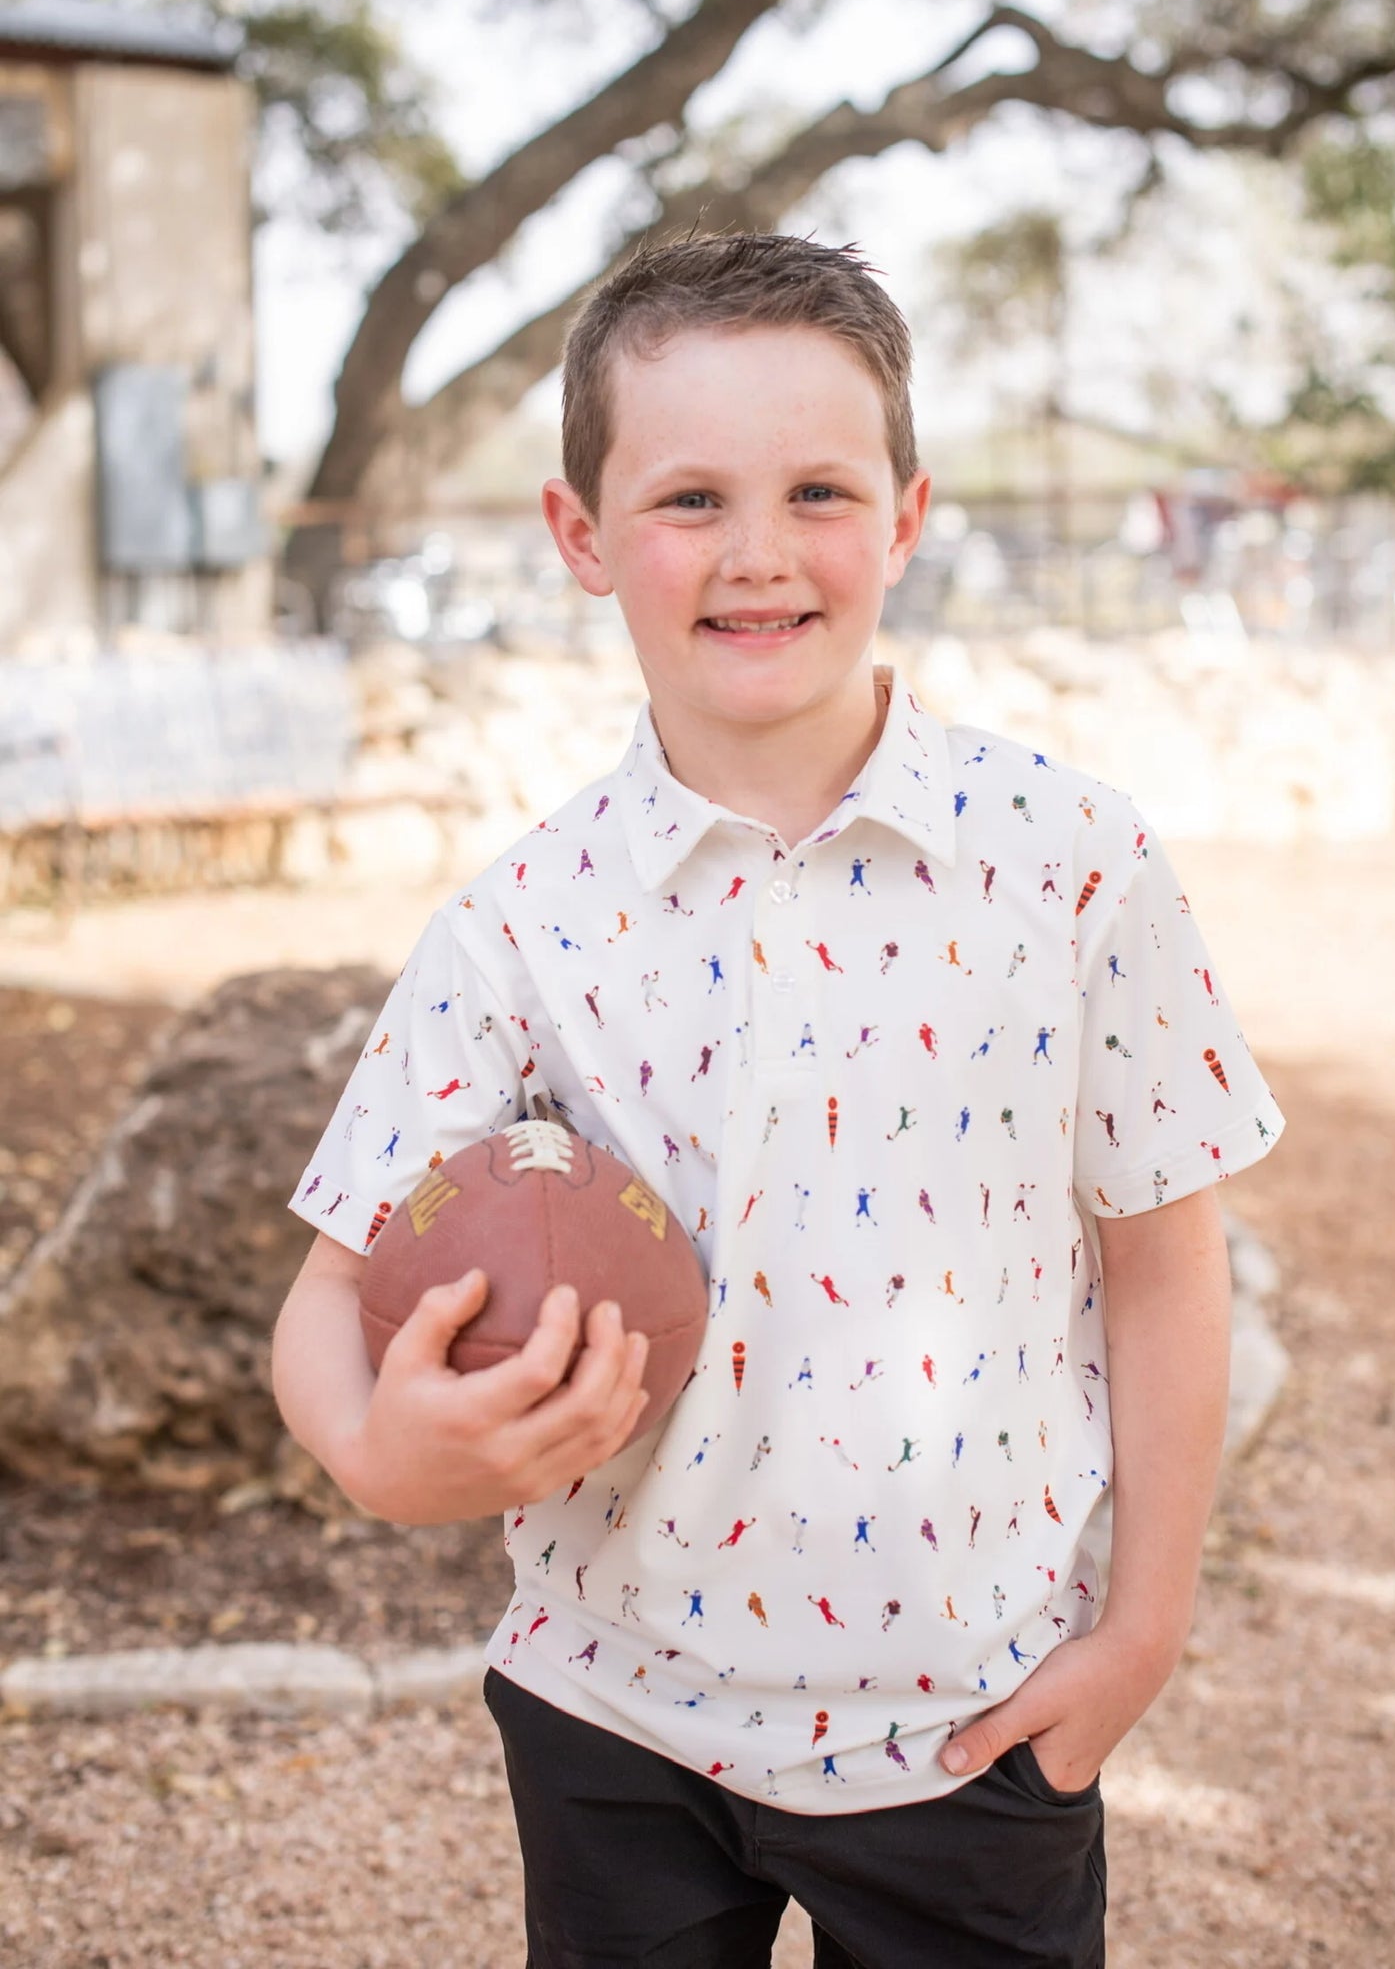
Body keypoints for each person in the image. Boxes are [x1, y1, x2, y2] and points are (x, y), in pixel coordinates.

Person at [272, 231, 1286, 1969]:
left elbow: (1163, 1262)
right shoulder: (521, 922)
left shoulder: (1072, 864)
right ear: (581, 536)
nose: (758, 554)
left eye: (819, 491)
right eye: (690, 501)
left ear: (905, 517)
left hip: (973, 1717)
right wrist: (377, 1451)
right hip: (610, 1718)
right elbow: (328, 1287)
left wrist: (1141, 1635)